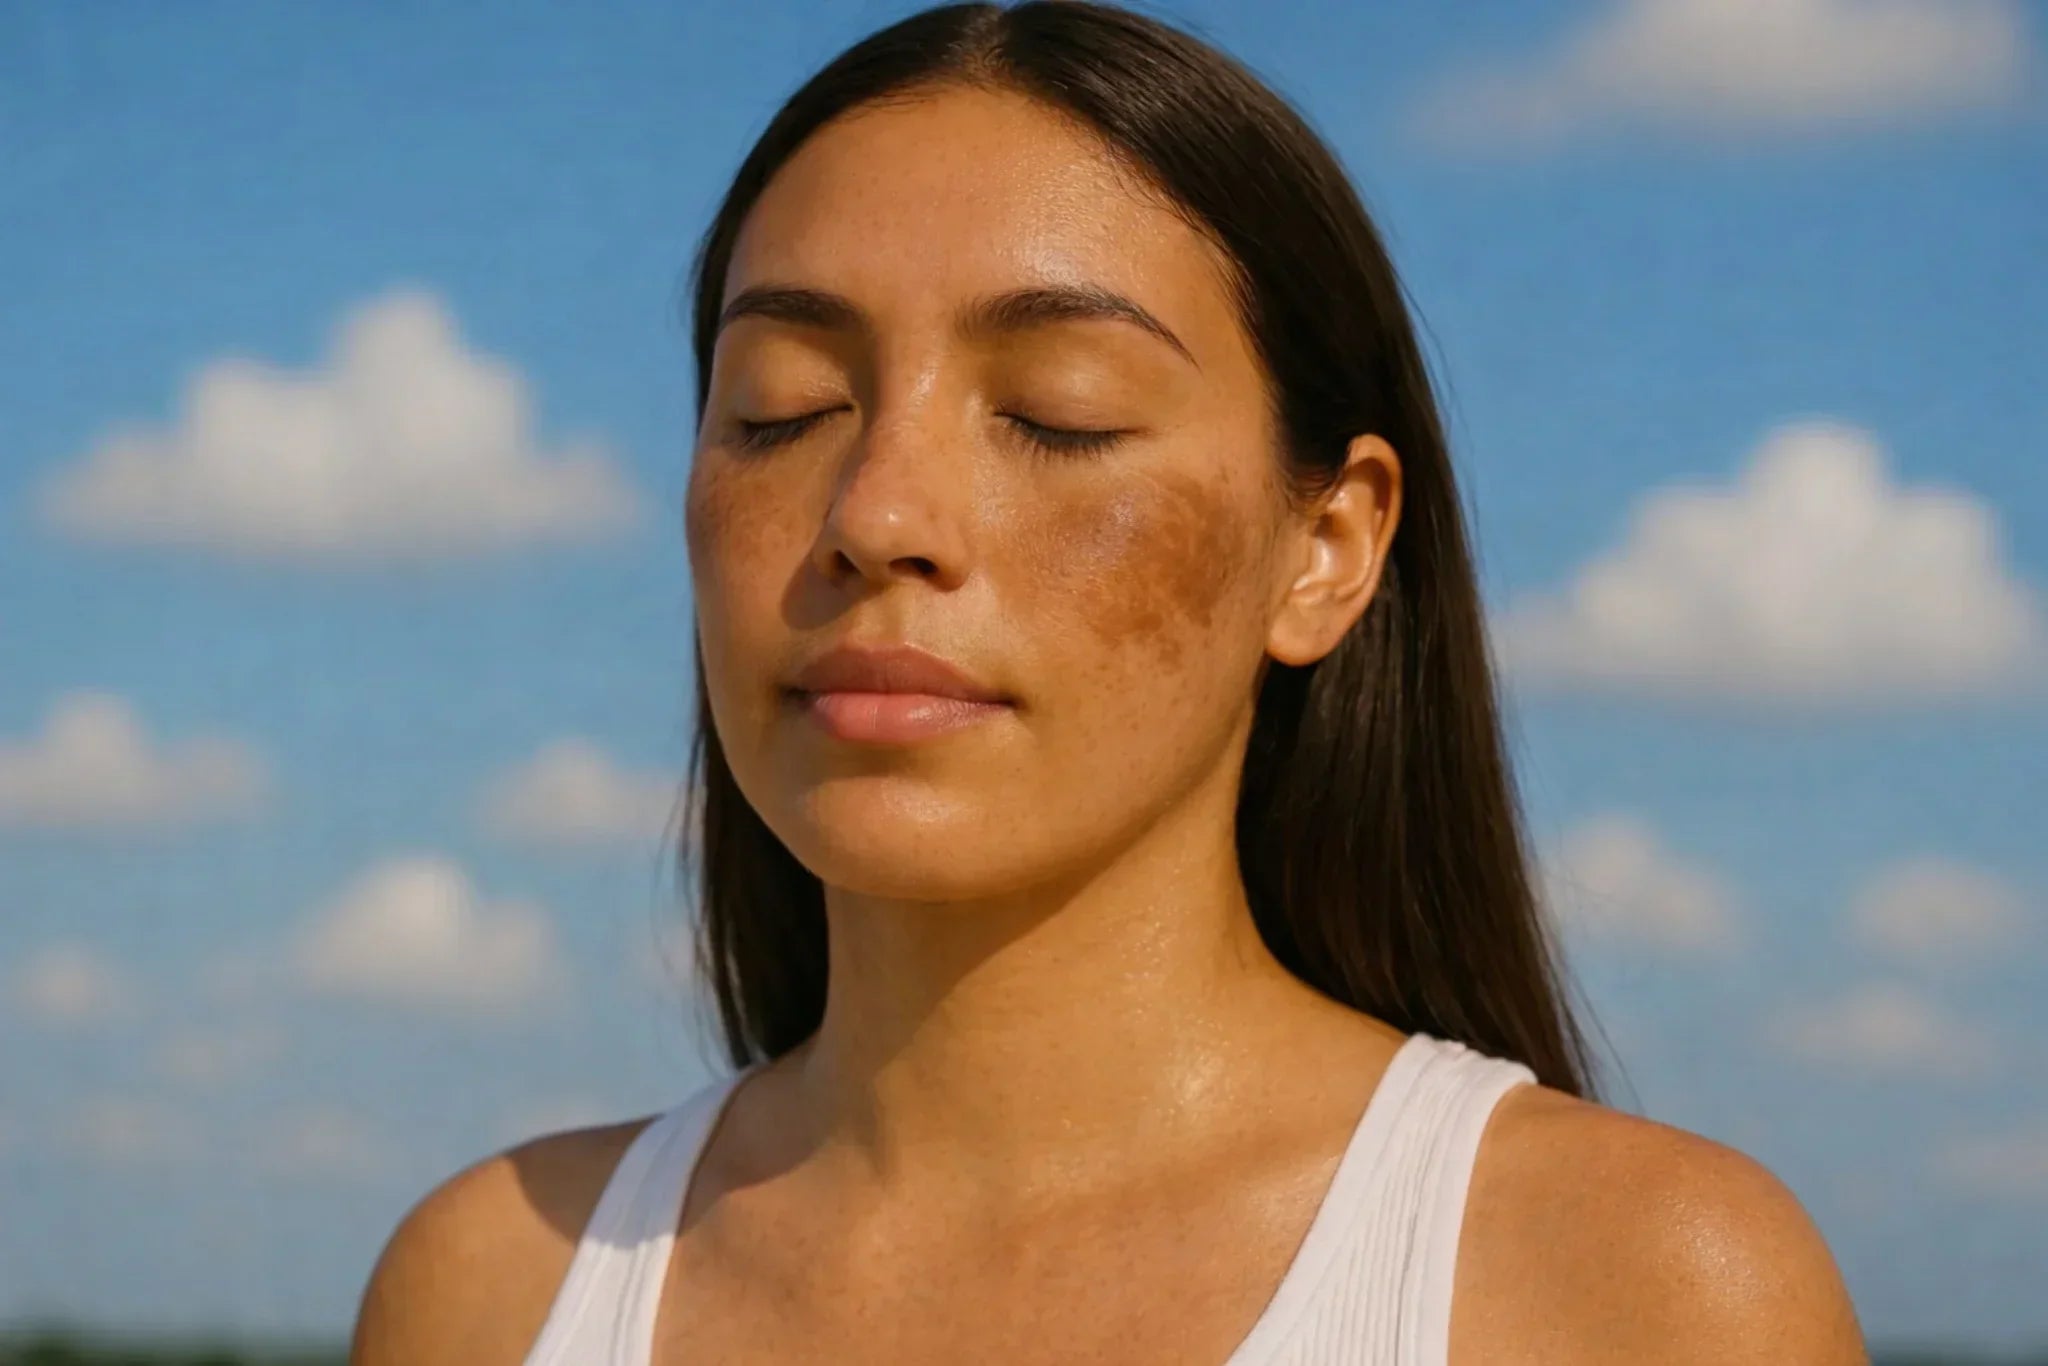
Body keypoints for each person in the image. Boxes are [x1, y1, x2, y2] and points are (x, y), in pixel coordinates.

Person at [349, 3, 1867, 1362]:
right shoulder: (487, 1286)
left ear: (1326, 546)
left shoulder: (1638, 1295)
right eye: (782, 408)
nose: (877, 512)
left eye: (1059, 416)